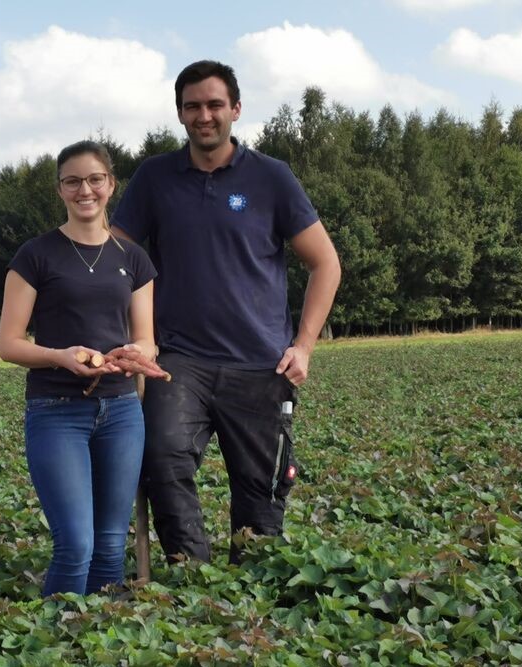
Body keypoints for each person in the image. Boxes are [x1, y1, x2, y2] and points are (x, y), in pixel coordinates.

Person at [112, 60, 342, 564]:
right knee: (160, 458)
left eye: (215, 104)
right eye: (192, 106)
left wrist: (303, 346)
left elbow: (325, 263)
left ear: (235, 109)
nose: (204, 115)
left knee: (261, 507)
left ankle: (248, 591)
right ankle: (194, 572)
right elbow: (116, 259)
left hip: (260, 363)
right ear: (179, 113)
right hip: (178, 360)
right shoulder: (155, 178)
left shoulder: (271, 179)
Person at [0, 140, 159, 595]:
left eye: (94, 179)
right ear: (60, 190)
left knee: (110, 544)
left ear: (111, 184)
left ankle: (97, 643)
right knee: (76, 543)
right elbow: (8, 344)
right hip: (56, 410)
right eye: (72, 181)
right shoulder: (36, 256)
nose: (84, 190)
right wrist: (59, 355)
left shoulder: (133, 259)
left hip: (122, 411)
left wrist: (132, 353)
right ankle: (55, 641)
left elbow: (148, 338)